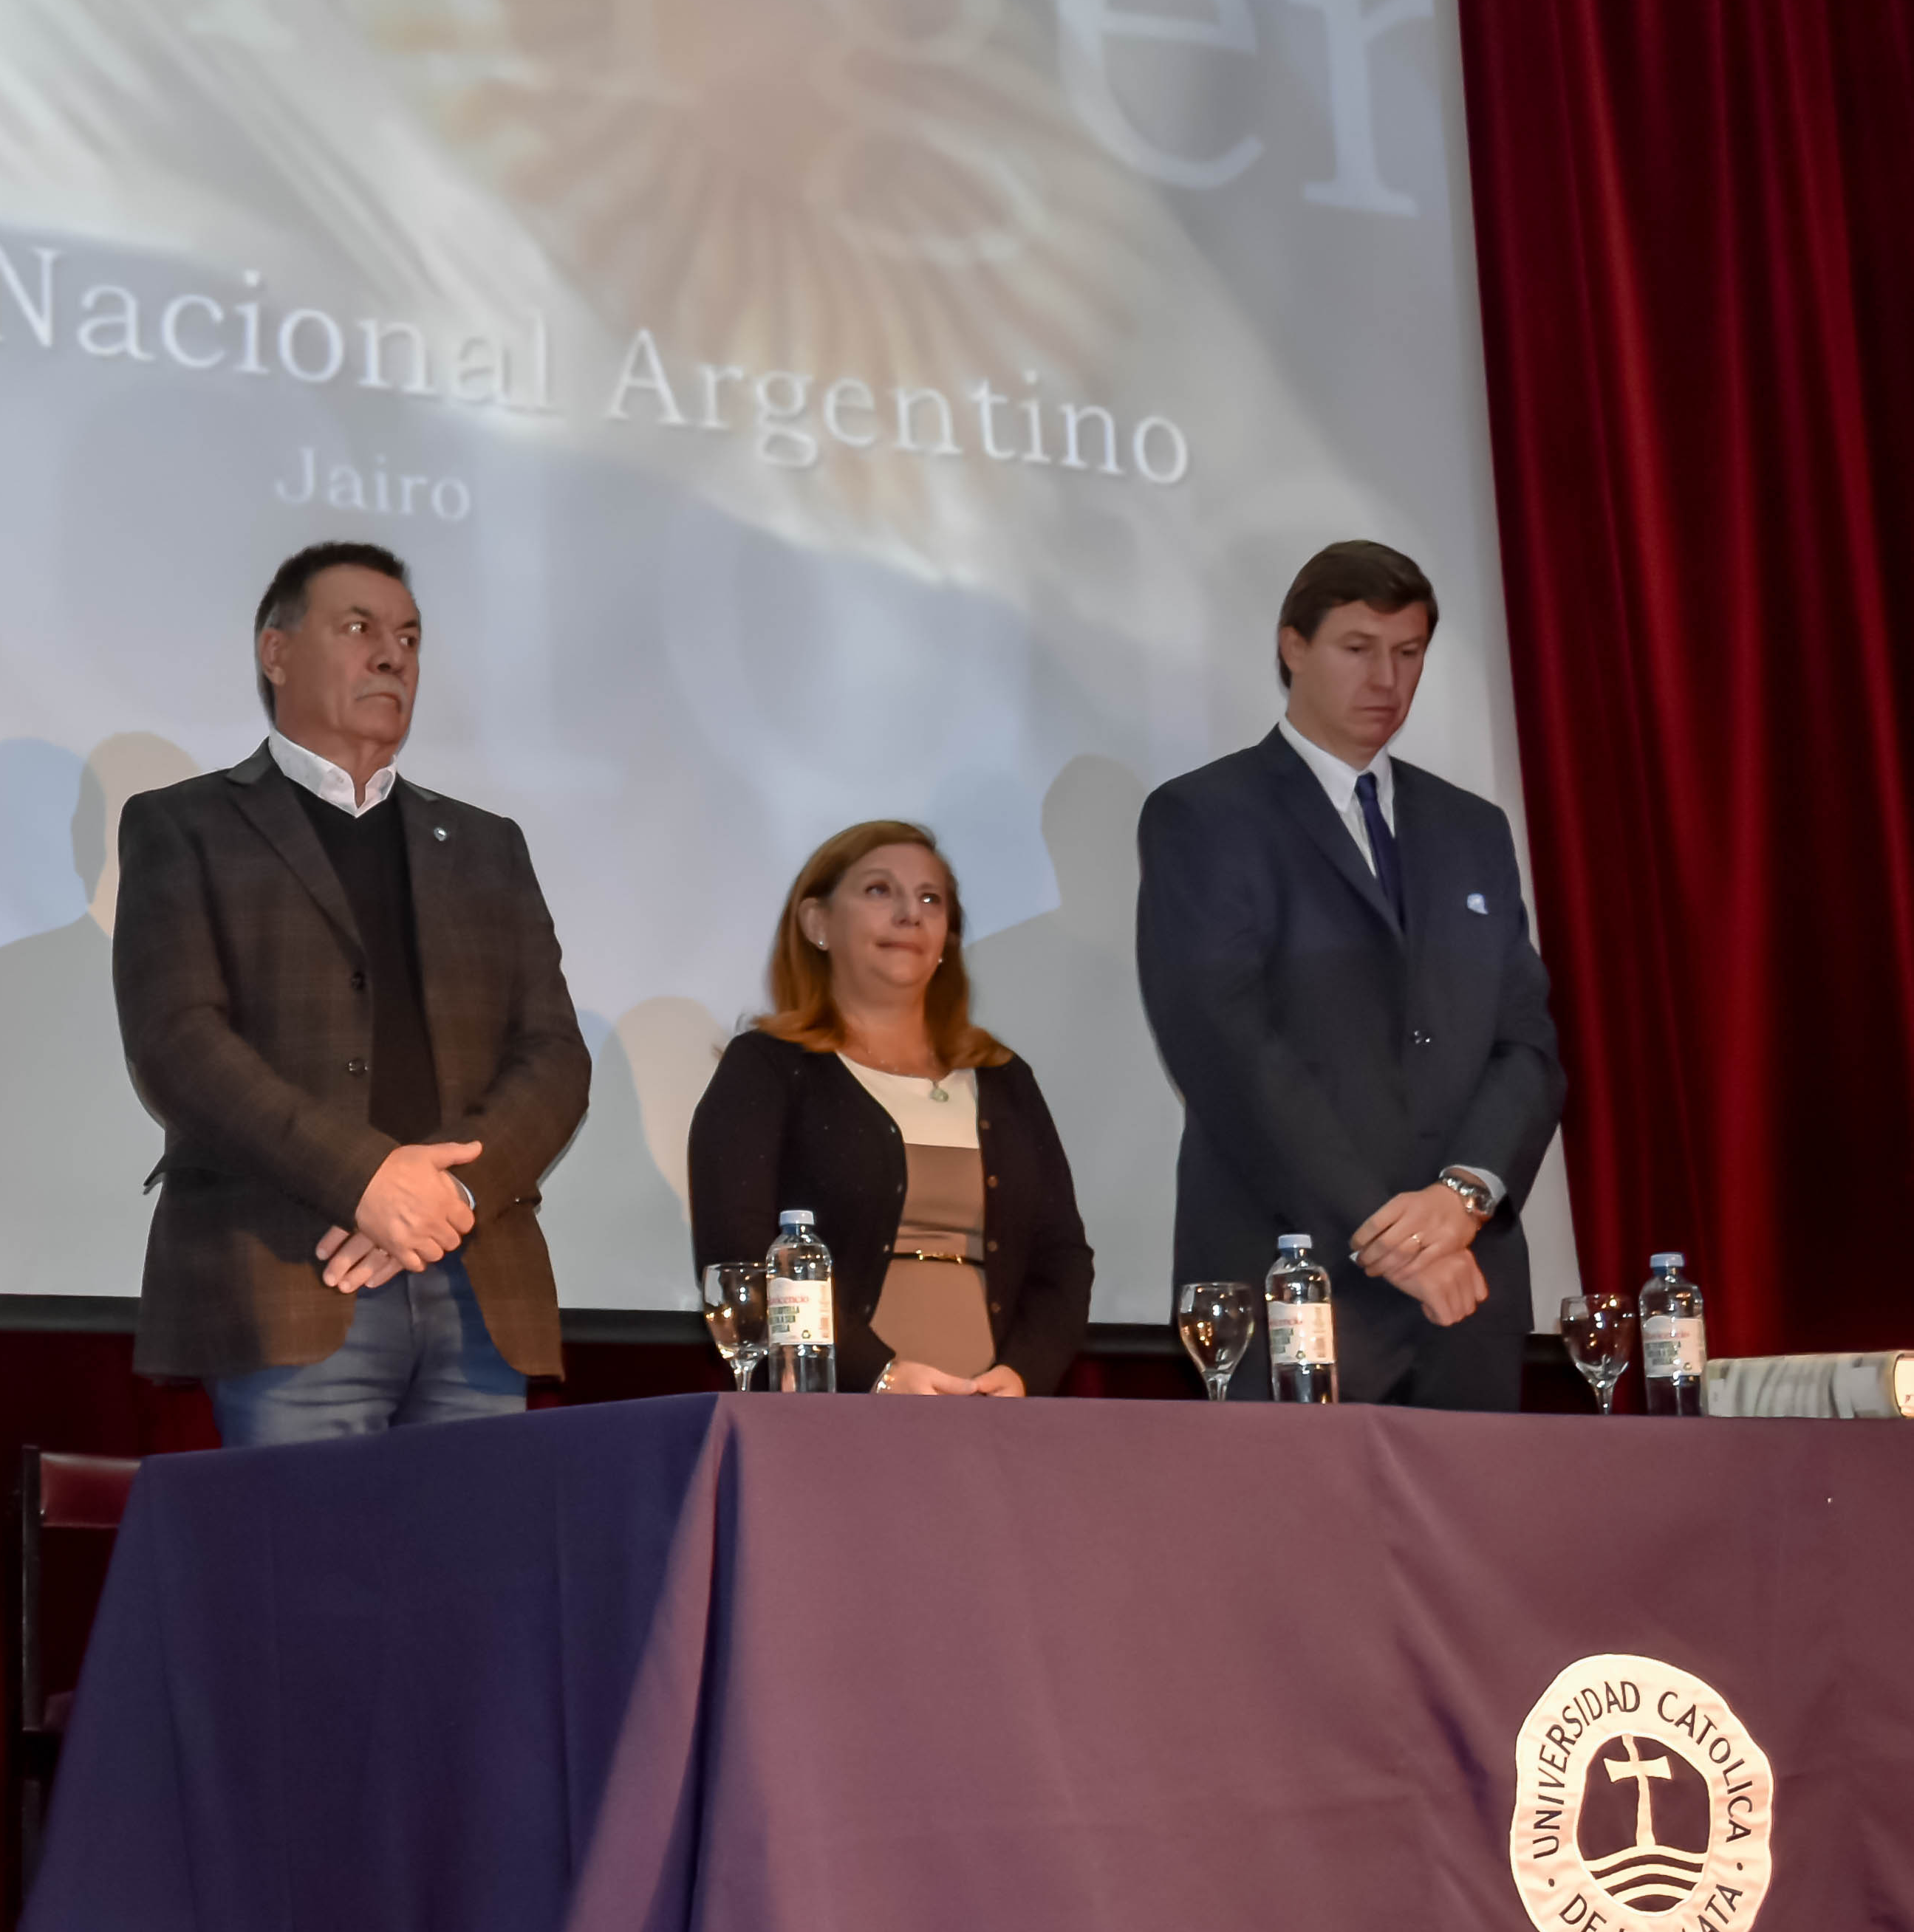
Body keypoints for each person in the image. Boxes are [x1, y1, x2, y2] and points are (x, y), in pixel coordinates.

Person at [111, 541, 588, 1445]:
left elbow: (556, 1057)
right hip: (289, 1278)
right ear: (276, 652)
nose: (391, 656)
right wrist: (365, 1179)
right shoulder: (185, 826)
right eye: (359, 628)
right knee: (313, 1542)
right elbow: (178, 1045)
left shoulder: (486, 846)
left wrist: (447, 1197)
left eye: (408, 638)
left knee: (480, 1543)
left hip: (477, 1282)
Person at [1135, 541, 1562, 1408]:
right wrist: (1386, 1233)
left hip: (1464, 1290)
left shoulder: (1472, 828)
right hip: (1295, 1279)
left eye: (1408, 653)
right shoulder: (1205, 816)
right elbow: (1224, 1046)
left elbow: (1526, 1047)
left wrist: (1462, 1196)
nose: (1386, 680)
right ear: (1292, 646)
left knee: (1475, 1503)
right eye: (1358, 648)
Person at [687, 823, 1094, 1395]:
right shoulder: (767, 1067)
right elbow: (740, 1254)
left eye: (931, 899)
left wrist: (1023, 1373)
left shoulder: (1005, 1078)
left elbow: (1062, 1259)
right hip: (836, 1411)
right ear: (817, 923)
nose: (910, 914)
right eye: (879, 890)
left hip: (994, 1415)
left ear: (948, 936)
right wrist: (880, 1374)